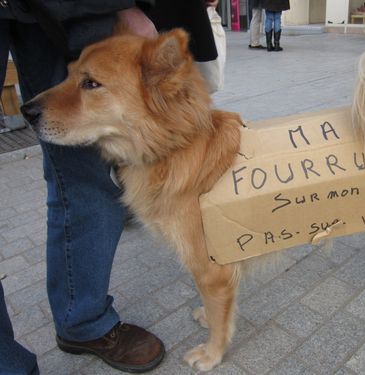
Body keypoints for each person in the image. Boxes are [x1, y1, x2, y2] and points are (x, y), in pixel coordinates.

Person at [0, 0, 218, 373]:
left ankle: (82, 321)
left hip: (60, 9)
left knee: (88, 178)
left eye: (87, 84)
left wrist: (123, 4)